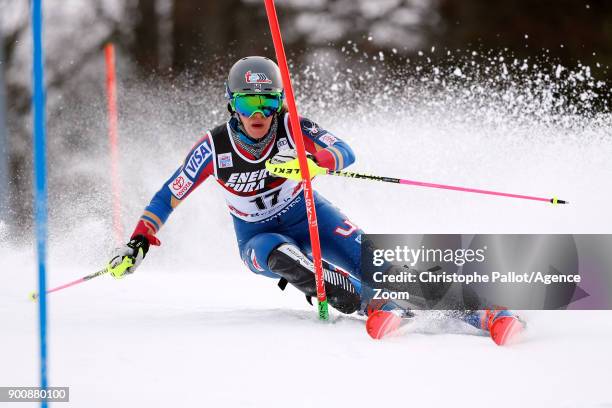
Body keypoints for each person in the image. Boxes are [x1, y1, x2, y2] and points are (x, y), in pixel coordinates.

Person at [107, 56, 523, 344]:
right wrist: (140, 240)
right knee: (286, 257)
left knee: (379, 263)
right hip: (257, 237)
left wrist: (315, 160)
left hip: (308, 214)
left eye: (268, 101)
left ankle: (485, 310)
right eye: (249, 102)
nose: (259, 113)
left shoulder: (292, 126)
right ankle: (373, 304)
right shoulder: (213, 148)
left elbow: (344, 150)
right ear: (232, 103)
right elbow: (168, 195)